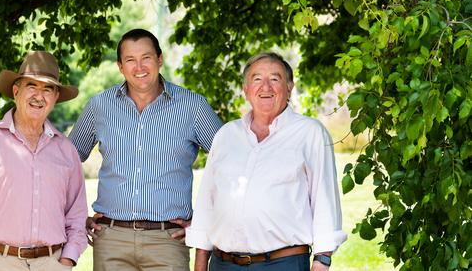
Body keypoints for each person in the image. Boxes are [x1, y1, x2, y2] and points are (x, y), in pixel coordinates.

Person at [69, 28, 223, 271]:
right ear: (120, 66)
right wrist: (75, 219)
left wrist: (205, 223)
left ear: (159, 59)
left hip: (167, 241)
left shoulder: (193, 107)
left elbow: (229, 164)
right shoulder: (99, 106)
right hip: (110, 239)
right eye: (130, 60)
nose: (139, 67)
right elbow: (64, 162)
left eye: (146, 58)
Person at [186, 52, 347, 271]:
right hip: (223, 264)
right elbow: (207, 202)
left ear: (289, 87)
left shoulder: (310, 133)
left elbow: (325, 202)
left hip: (283, 263)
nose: (266, 87)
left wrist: (322, 261)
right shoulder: (226, 135)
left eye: (275, 79)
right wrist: (200, 262)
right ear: (246, 89)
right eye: (257, 79)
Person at [0, 51, 88, 270]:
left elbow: (76, 215)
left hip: (52, 263)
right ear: (16, 91)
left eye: (47, 89)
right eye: (32, 86)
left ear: (56, 97)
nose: (39, 96)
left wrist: (66, 261)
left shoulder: (66, 150)